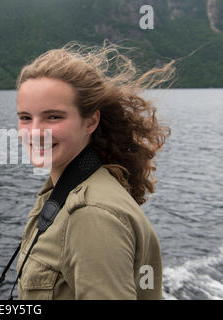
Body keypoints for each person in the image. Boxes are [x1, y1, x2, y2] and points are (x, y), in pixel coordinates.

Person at [15, 42, 175, 300]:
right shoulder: (66, 189)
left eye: (53, 117)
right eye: (25, 117)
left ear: (90, 121)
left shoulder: (91, 214)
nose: (34, 132)